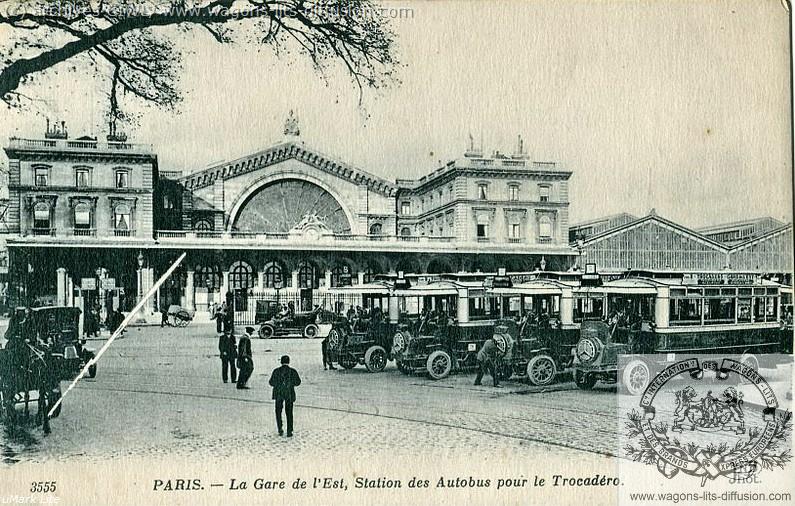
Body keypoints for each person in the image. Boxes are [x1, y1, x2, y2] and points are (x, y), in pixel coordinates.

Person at [269, 355, 301, 437]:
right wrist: (290, 384)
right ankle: (289, 430)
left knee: (278, 412)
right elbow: (298, 382)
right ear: (289, 362)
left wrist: (279, 385)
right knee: (289, 412)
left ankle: (280, 428)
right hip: (289, 394)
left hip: (279, 394)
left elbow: (271, 382)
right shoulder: (292, 371)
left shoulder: (276, 371)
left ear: (281, 362)